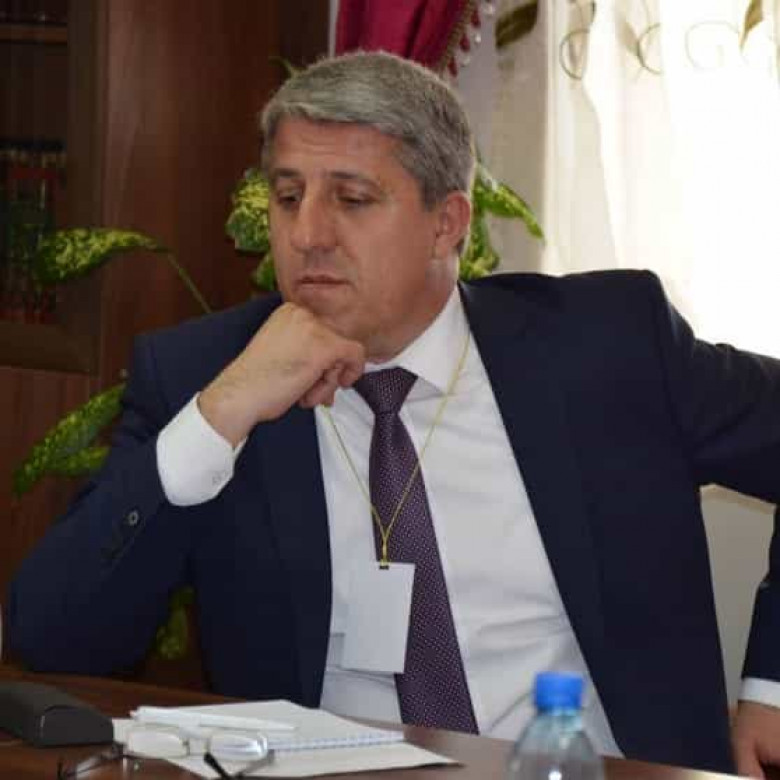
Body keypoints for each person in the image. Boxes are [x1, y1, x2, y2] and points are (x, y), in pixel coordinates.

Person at [7, 51, 780, 777]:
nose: (308, 234)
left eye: (352, 199)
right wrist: (221, 414)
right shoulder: (205, 375)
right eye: (287, 196)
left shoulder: (605, 345)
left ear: (448, 223)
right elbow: (53, 639)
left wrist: (772, 683)